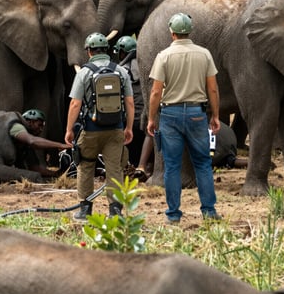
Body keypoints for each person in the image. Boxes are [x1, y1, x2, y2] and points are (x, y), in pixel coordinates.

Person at [146, 13, 222, 222]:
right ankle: (209, 211)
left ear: (172, 33)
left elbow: (155, 92)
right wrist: (215, 115)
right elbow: (213, 89)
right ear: (189, 31)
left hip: (170, 114)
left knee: (171, 166)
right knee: (203, 164)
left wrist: (152, 118)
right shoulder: (204, 54)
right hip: (197, 115)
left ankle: (173, 214)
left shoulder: (163, 56)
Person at [65, 33, 134, 220]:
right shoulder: (121, 71)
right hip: (115, 129)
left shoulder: (84, 73)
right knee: (115, 169)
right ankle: (116, 211)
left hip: (90, 129)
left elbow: (75, 104)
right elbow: (129, 102)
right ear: (107, 50)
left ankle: (85, 211)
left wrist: (69, 130)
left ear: (88, 51)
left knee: (86, 166)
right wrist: (128, 128)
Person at [112, 35, 144, 168]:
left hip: (129, 119)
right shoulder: (144, 66)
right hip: (144, 117)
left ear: (123, 52)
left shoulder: (121, 70)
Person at [12, 109, 70, 177]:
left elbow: (35, 168)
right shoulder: (16, 127)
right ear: (31, 122)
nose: (41, 129)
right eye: (39, 125)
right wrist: (60, 145)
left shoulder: (27, 146)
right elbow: (33, 141)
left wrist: (57, 173)